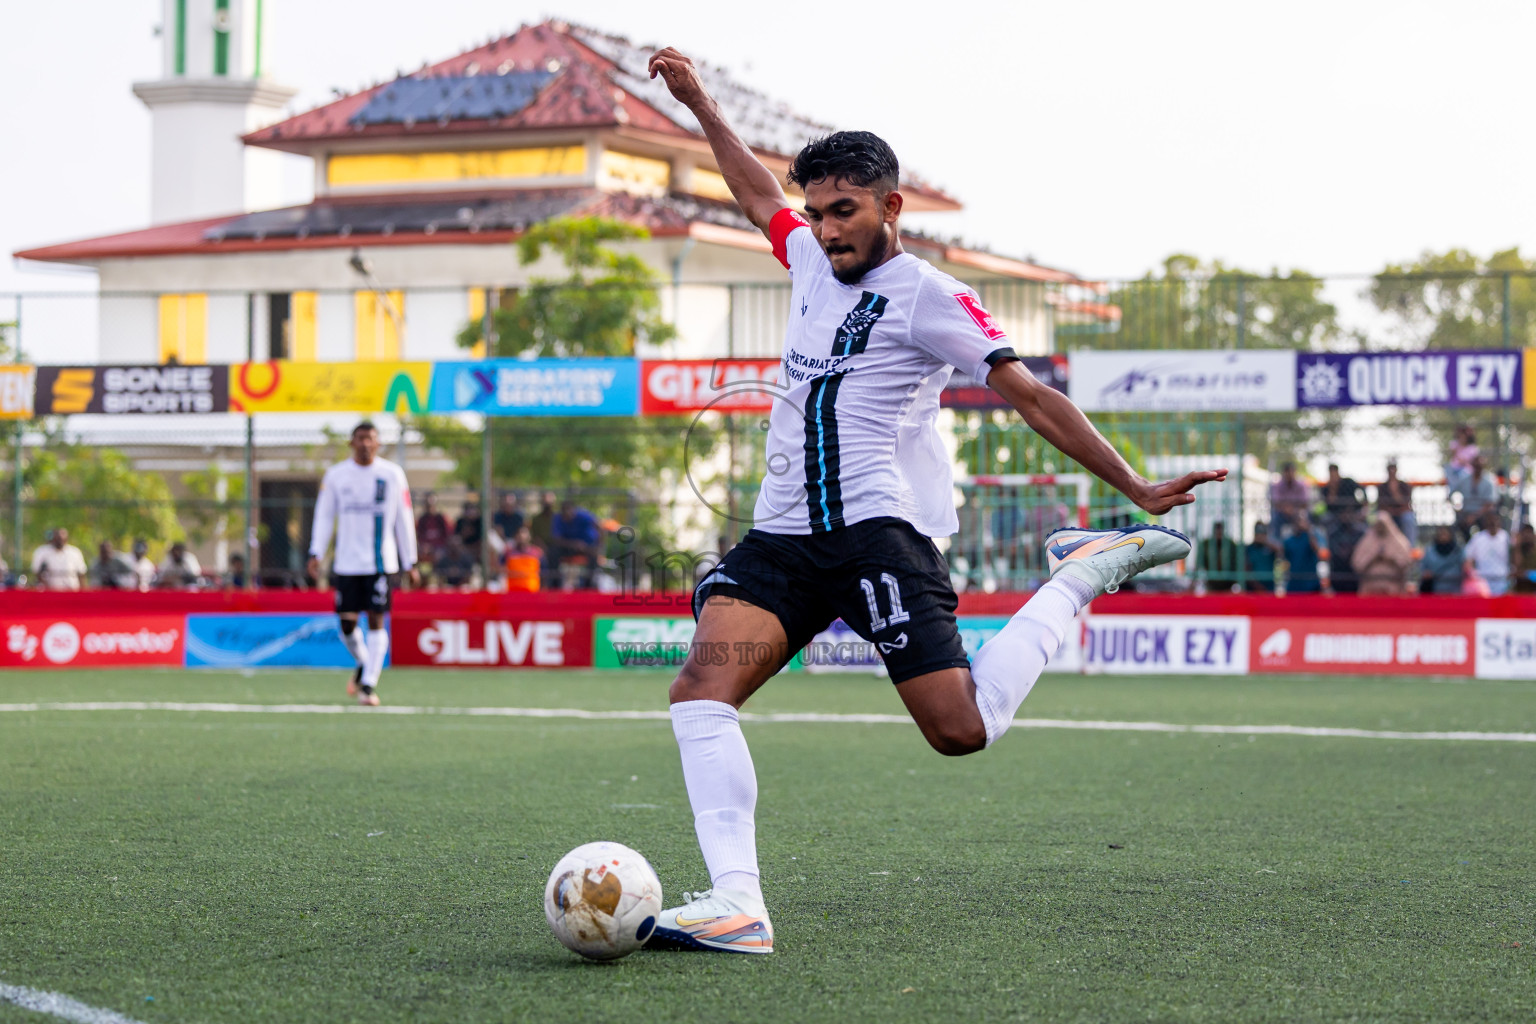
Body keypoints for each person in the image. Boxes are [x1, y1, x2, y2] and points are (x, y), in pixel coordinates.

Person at [641, 46, 1225, 955]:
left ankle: (1081, 572)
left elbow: (1031, 395)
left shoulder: (928, 296)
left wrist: (1137, 486)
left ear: (890, 207)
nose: (827, 230)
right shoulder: (803, 258)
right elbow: (756, 193)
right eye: (819, 213)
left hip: (879, 536)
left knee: (961, 731)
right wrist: (699, 101)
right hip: (784, 539)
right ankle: (738, 905)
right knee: (699, 691)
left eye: (846, 212)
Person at [307, 421, 420, 706]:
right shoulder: (336, 475)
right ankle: (365, 663)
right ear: (351, 443)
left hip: (380, 562)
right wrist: (315, 552)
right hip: (346, 562)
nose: (365, 443)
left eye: (370, 438)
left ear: (378, 443)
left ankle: (368, 685)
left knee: (376, 620)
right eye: (360, 438)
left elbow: (403, 518)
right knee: (346, 625)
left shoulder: (392, 474)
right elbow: (323, 516)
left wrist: (411, 561)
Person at [1351, 512, 1414, 595]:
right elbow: (1356, 564)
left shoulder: (1399, 541)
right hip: (1370, 587)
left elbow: (1407, 562)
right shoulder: (1366, 542)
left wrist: (1391, 558)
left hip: (1392, 587)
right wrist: (1372, 557)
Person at [550, 498, 603, 589]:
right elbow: (556, 539)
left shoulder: (584, 516)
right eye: (564, 511)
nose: (567, 513)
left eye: (569, 510)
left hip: (587, 547)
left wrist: (599, 546)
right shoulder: (557, 518)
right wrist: (574, 544)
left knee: (594, 556)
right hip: (567, 547)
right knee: (552, 553)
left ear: (574, 510)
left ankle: (588, 584)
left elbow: (599, 527)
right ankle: (555, 584)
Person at [1463, 510, 1511, 597]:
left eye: (1495, 520)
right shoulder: (1477, 538)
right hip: (1482, 582)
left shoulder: (1506, 537)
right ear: (1486, 522)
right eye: (1490, 520)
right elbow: (1468, 559)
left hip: (1502, 581)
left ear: (1499, 521)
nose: (1493, 523)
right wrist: (1472, 575)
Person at [1326, 507, 1367, 594]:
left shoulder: (1360, 532)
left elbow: (1362, 551)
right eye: (1344, 513)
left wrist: (1351, 551)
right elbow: (1332, 550)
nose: (1346, 516)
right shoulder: (1333, 532)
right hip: (1338, 572)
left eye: (1349, 513)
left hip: (1354, 573)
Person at [1282, 512, 1324, 593]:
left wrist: (1308, 531)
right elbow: (1284, 559)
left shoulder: (1311, 538)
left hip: (1311, 583)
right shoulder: (1288, 541)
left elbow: (1318, 551)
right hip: (1295, 583)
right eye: (1298, 521)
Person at [1195, 521, 1241, 592]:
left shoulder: (1230, 544)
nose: (1219, 533)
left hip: (1228, 584)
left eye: (1220, 530)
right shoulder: (1206, 544)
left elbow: (1237, 564)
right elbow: (1199, 565)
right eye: (1217, 530)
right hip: (1211, 584)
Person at [1268, 462, 1312, 535]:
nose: (1290, 475)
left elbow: (1305, 502)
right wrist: (1286, 509)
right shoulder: (1277, 486)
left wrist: (1293, 509)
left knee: (1306, 518)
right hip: (1282, 513)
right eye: (1287, 472)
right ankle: (1277, 542)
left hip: (1298, 512)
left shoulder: (1301, 486)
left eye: (1292, 472)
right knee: (1275, 518)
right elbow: (1276, 502)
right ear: (1284, 473)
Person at [1377, 460, 1416, 543]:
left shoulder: (1403, 485)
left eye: (1393, 468)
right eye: (1390, 469)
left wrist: (1395, 491)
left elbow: (1406, 504)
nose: (1392, 471)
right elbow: (1381, 506)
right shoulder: (1382, 487)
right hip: (1389, 513)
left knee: (1408, 518)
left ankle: (1410, 547)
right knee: (1381, 517)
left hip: (1401, 512)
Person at [1419, 527, 1464, 595]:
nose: (1443, 537)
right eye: (1441, 534)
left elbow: (1462, 570)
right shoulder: (1430, 551)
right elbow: (1423, 569)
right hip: (1435, 589)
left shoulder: (1458, 551)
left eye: (1445, 534)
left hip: (1455, 589)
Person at [503, 525, 544, 593]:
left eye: (524, 533)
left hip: (533, 593)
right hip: (513, 593)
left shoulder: (537, 553)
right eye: (519, 533)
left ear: (529, 536)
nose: (521, 536)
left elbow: (544, 573)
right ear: (515, 536)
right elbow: (500, 568)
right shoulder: (508, 553)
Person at [415, 492, 451, 566]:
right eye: (428, 505)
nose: (430, 507)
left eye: (432, 505)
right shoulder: (422, 519)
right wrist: (425, 546)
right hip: (425, 548)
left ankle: (439, 575)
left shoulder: (441, 518)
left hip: (440, 547)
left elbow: (448, 535)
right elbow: (419, 536)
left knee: (440, 555)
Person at [1244, 522, 1281, 592]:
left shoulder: (1270, 548)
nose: (1260, 535)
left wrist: (1266, 541)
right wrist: (1258, 587)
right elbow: (1246, 570)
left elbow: (1280, 550)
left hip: (1269, 587)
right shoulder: (1248, 549)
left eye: (1262, 533)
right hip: (1253, 589)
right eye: (1258, 532)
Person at [1444, 424, 1479, 495]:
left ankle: (1461, 491)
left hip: (1465, 471)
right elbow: (1453, 454)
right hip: (1454, 470)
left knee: (1464, 476)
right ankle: (1452, 493)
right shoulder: (1455, 444)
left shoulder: (1472, 448)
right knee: (1448, 470)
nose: (1462, 437)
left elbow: (1466, 461)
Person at [1511, 524, 1536, 595]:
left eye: (1529, 533)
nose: (1527, 536)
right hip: (1520, 590)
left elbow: (1520, 573)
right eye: (1524, 534)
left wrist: (1526, 574)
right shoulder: (1517, 550)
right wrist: (1517, 546)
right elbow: (1518, 566)